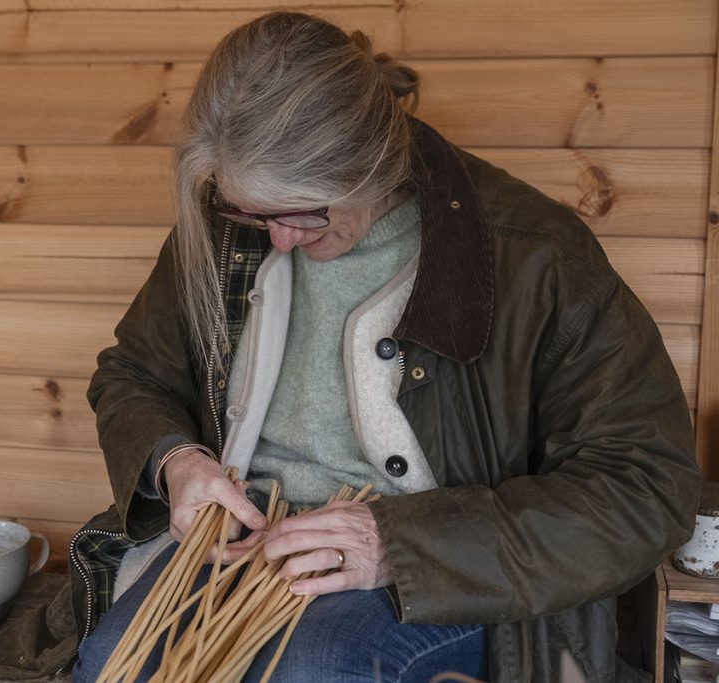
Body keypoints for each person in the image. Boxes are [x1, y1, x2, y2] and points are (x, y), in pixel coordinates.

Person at [64, 10, 700, 683]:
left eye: (303, 211)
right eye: (251, 211)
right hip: (246, 536)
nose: (278, 238)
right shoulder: (231, 227)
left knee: (312, 670)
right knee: (111, 667)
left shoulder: (533, 256)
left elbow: (645, 486)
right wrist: (176, 460)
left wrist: (400, 543)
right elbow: (133, 374)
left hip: (433, 565)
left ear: (370, 163)